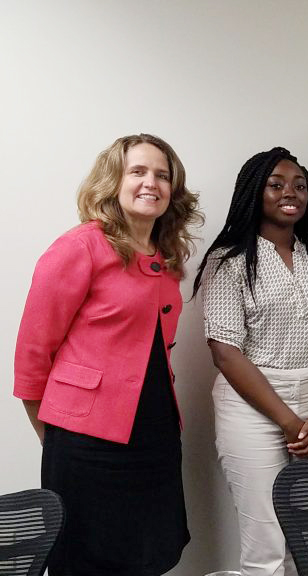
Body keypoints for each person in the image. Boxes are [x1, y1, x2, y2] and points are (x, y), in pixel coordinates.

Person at [14, 133, 202, 575]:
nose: (150, 182)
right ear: (114, 180)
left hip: (154, 432)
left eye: (162, 175)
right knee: (86, 558)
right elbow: (32, 353)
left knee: (148, 550)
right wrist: (56, 434)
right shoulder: (80, 247)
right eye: (138, 171)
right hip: (86, 440)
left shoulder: (166, 254)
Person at [194, 147, 308, 576]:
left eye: (299, 186)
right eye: (275, 185)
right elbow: (225, 350)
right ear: (253, 193)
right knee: (267, 543)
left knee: (304, 533)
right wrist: (286, 420)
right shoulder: (230, 261)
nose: (289, 193)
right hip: (253, 408)